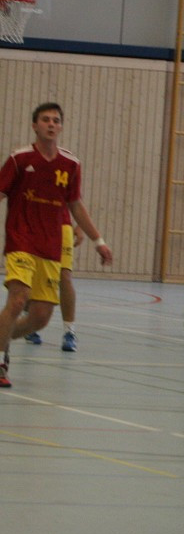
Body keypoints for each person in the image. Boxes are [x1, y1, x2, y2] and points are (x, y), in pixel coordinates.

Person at [0, 102, 112, 388]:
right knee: (18, 298)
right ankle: (1, 362)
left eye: (56, 120)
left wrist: (99, 240)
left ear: (61, 127)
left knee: (40, 318)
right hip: (21, 239)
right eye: (45, 120)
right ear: (34, 125)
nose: (51, 124)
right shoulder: (19, 158)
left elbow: (75, 204)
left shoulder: (71, 164)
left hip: (50, 246)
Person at [24, 220, 83, 352]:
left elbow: (76, 202)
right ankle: (28, 322)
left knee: (65, 275)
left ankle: (69, 331)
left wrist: (80, 226)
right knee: (32, 274)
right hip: (33, 226)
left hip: (62, 226)